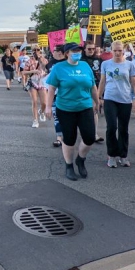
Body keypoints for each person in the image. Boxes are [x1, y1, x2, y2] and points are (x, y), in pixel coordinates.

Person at [45, 43, 100, 181]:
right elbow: (51, 89)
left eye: (78, 50)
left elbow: (92, 86)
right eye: (74, 51)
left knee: (89, 137)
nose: (77, 53)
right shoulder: (58, 68)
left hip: (85, 107)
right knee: (69, 139)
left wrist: (97, 101)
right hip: (65, 109)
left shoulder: (85, 66)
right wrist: (47, 107)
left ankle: (80, 159)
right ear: (67, 53)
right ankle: (69, 166)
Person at [98, 41, 135, 167]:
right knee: (111, 127)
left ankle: (123, 155)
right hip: (110, 98)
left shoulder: (130, 64)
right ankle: (111, 155)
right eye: (115, 50)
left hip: (125, 99)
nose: (117, 53)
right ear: (111, 50)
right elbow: (102, 81)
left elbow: (134, 83)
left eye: (119, 50)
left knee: (123, 128)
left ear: (124, 50)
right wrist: (98, 98)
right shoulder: (105, 64)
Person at [23, 49, 47, 128]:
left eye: (38, 50)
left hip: (42, 83)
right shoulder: (29, 61)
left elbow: (47, 69)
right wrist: (33, 71)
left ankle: (42, 112)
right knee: (34, 101)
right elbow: (23, 72)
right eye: (34, 51)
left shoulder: (44, 60)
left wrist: (41, 62)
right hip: (33, 82)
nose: (36, 52)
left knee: (44, 103)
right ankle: (35, 120)